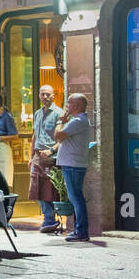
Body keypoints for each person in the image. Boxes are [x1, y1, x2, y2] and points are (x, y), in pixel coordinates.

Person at [54, 93, 92, 242]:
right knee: (76, 197)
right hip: (73, 164)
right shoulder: (79, 121)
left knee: (76, 198)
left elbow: (58, 135)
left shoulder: (77, 121)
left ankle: (81, 231)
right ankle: (80, 230)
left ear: (75, 106)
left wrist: (60, 121)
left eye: (68, 104)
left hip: (73, 165)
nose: (66, 107)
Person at [29, 84, 63, 234]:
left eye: (48, 94)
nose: (45, 97)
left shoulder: (59, 114)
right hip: (37, 156)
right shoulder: (37, 113)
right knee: (35, 189)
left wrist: (51, 151)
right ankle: (49, 217)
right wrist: (30, 157)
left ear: (54, 95)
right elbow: (34, 135)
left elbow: (61, 138)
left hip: (51, 157)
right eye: (43, 94)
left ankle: (49, 219)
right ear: (39, 96)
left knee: (49, 189)